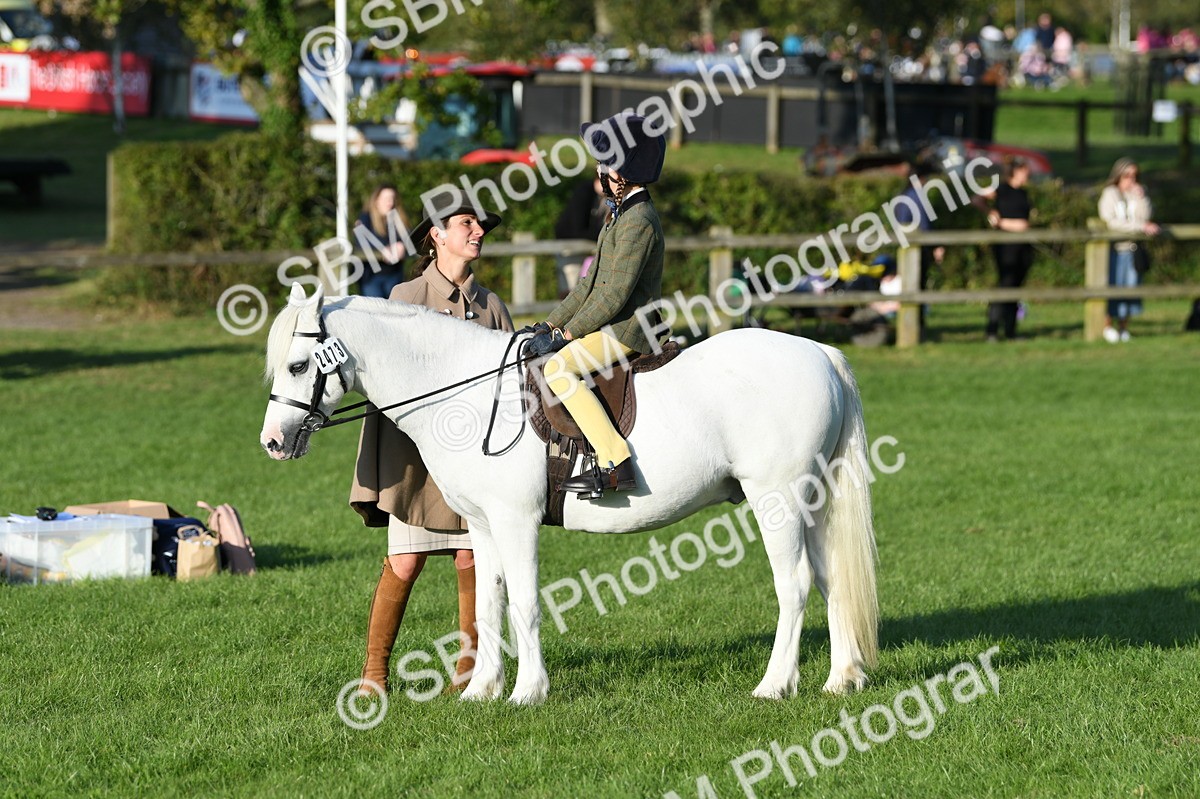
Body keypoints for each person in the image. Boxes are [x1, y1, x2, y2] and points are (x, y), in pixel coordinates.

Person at [349, 190, 514, 696]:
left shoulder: (492, 306)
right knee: (406, 560)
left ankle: (469, 671)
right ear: (435, 236)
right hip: (416, 463)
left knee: (473, 559)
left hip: (476, 464)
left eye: (480, 225)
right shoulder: (403, 300)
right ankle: (374, 675)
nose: (478, 232)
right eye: (466, 223)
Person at [528, 112, 667, 499]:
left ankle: (615, 461)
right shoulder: (618, 215)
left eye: (604, 164)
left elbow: (615, 294)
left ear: (621, 172)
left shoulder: (639, 220)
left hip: (629, 329)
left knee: (559, 368)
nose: (599, 171)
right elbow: (589, 284)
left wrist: (569, 335)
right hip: (613, 323)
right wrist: (549, 325)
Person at [1098, 158, 1159, 343]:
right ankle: (1107, 326)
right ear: (1118, 175)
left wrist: (1141, 197)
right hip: (1115, 249)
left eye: (1134, 175)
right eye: (1127, 175)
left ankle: (1124, 327)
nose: (1131, 179)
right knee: (1113, 287)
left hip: (1133, 249)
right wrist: (1139, 227)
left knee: (1131, 289)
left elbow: (1146, 217)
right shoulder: (1109, 194)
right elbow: (1111, 222)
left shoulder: (1138, 193)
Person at [978, 157, 1034, 341]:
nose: (1028, 174)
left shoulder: (1023, 193)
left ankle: (1010, 331)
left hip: (1022, 247)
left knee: (1015, 289)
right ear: (1016, 171)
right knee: (1005, 286)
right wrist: (993, 215)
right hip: (1006, 247)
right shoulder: (1002, 189)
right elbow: (977, 198)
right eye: (1025, 170)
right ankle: (992, 330)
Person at [893, 161, 946, 333]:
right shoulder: (916, 197)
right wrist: (935, 246)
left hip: (905, 247)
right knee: (917, 287)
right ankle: (917, 327)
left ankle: (913, 325)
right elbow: (924, 225)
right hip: (917, 249)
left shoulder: (904, 196)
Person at [552, 176, 607, 298]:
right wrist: (604, 234)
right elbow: (579, 229)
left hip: (586, 245)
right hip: (569, 247)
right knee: (569, 288)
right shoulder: (584, 192)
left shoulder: (603, 197)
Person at [355, 184, 410, 298]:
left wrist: (403, 245)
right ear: (376, 201)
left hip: (394, 276)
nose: (389, 202)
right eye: (385, 198)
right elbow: (360, 242)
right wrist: (382, 249)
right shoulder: (365, 218)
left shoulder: (399, 219)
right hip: (371, 277)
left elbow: (411, 239)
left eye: (392, 198)